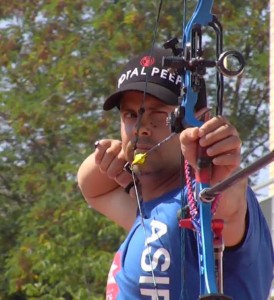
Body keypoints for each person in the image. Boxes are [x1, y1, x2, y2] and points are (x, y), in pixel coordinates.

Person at [77, 48, 273, 299]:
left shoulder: (202, 199)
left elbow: (229, 202)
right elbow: (89, 185)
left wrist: (219, 164)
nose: (140, 129)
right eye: (131, 115)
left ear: (200, 120)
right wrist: (115, 152)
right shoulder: (149, 206)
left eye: (159, 115)